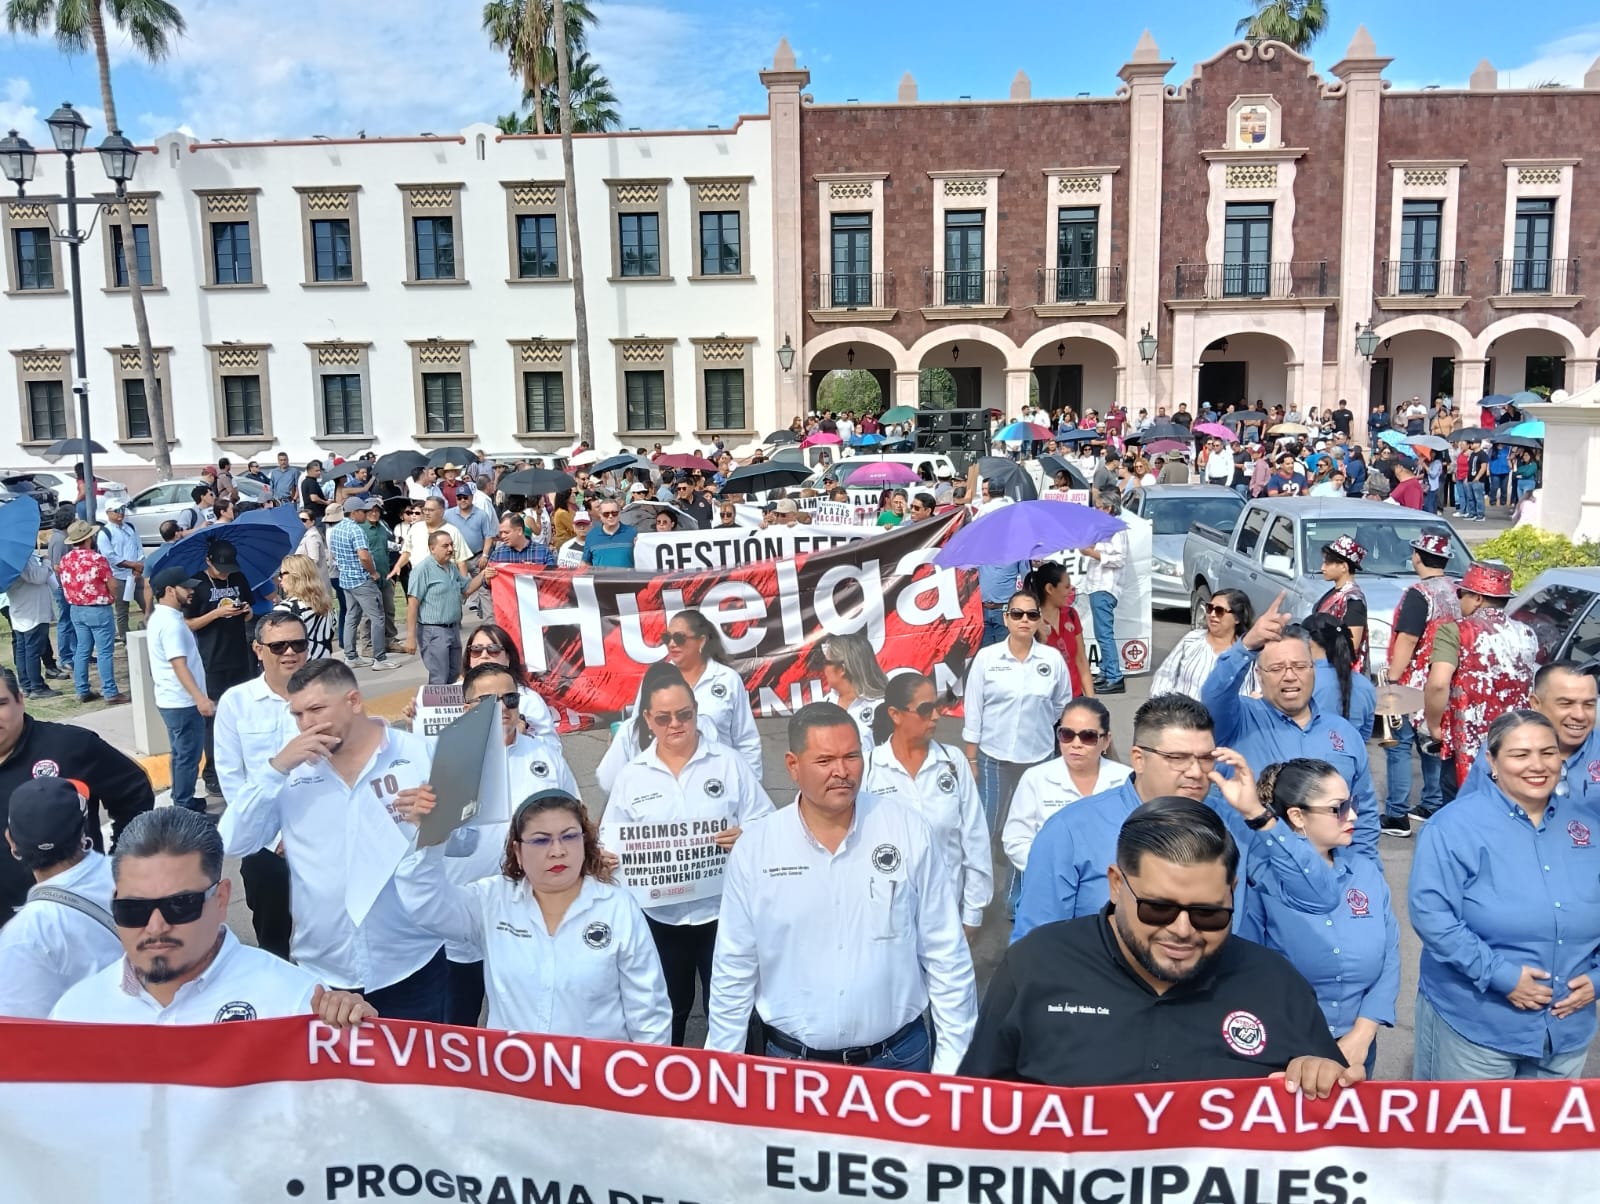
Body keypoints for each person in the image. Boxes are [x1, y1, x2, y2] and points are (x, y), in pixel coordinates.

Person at [962, 797, 1358, 1094]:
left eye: (1208, 913)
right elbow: (975, 1115)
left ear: (1232, 891)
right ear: (1116, 885)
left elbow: (1335, 1132)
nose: (1183, 930)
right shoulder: (1035, 967)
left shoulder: (1277, 986)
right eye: (1158, 909)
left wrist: (1322, 1076)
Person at [705, 703, 978, 1073]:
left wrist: (954, 1068)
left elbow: (945, 953)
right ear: (792, 765)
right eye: (825, 760)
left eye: (851, 756)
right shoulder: (756, 848)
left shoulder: (907, 830)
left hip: (899, 1061)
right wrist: (721, 1070)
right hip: (793, 1069)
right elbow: (734, 966)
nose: (842, 771)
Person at [218, 658, 448, 1021]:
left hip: (411, 963)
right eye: (297, 715)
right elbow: (233, 842)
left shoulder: (419, 754)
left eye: (316, 710)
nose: (306, 724)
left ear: (353, 701)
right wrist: (275, 769)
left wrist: (435, 826)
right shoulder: (289, 773)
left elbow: (467, 843)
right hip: (324, 973)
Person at [1014, 693, 1338, 937]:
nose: (1195, 772)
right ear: (1138, 759)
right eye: (1178, 758)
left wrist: (1259, 815)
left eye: (1206, 758)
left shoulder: (1237, 825)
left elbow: (1319, 897)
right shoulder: (1071, 831)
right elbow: (1036, 943)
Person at [51, 808, 375, 1028]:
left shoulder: (297, 1003)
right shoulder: (76, 1015)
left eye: (180, 905)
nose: (156, 926)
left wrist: (361, 1035)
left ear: (221, 899)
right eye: (133, 908)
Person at [1410, 710, 1600, 1080]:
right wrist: (1500, 976)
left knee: (1547, 1122)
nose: (1537, 765)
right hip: (1479, 1027)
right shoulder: (1453, 827)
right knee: (1466, 1120)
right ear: (1492, 762)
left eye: (1548, 753)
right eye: (1520, 754)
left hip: (1566, 1031)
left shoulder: (1588, 827)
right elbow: (1432, 917)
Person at [397, 786, 669, 1040]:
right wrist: (433, 836)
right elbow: (425, 902)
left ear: (585, 841)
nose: (557, 851)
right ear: (517, 850)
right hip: (513, 1071)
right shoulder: (492, 900)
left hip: (595, 1073)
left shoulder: (617, 907)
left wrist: (643, 1071)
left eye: (569, 836)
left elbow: (649, 1012)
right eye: (541, 840)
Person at [600, 664, 772, 1044]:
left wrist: (747, 834)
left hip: (723, 913)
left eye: (684, 714)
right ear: (648, 719)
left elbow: (766, 820)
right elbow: (608, 840)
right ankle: (667, 1076)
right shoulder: (632, 776)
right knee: (666, 1010)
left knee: (730, 1009)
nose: (675, 724)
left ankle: (735, 1077)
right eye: (663, 718)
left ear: (696, 712)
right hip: (660, 918)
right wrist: (607, 859)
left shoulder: (729, 764)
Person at [419, 662, 581, 1027]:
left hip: (531, 920)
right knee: (456, 1029)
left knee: (528, 1027)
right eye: (490, 701)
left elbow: (577, 825)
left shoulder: (545, 757)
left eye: (510, 699)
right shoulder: (437, 760)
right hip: (463, 924)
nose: (504, 708)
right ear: (467, 708)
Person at [1240, 760, 1400, 1078]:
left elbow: (1390, 957)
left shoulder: (1365, 872)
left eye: (1352, 804)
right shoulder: (1263, 878)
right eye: (1338, 808)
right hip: (1285, 1050)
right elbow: (1247, 970)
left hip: (1357, 1049)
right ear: (1297, 817)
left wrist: (1363, 1033)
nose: (1352, 816)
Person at [1201, 595, 1380, 861]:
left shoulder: (1343, 733)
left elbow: (1363, 813)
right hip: (1254, 871)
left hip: (1330, 874)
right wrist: (1246, 646)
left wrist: (1366, 871)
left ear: (1313, 670)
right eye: (1276, 668)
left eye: (1299, 666)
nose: (1289, 676)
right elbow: (1214, 695)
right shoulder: (1239, 720)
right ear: (1259, 675)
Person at [0, 666, 152, 929]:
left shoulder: (71, 746)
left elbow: (134, 792)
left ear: (20, 700)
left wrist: (121, 864)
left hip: (79, 917)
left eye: (0, 704)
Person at [212, 611, 310, 960]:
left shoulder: (325, 697)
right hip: (264, 844)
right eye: (279, 646)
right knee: (273, 940)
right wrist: (274, 837)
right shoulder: (236, 703)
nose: (290, 652)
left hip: (319, 837)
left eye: (298, 644)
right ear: (258, 650)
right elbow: (231, 779)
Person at [864, 673, 992, 935]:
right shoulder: (868, 768)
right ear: (895, 714)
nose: (936, 716)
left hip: (946, 914)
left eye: (937, 706)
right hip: (886, 917)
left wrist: (973, 911)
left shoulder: (953, 762)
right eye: (925, 709)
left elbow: (975, 837)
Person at [597, 610, 762, 792]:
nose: (672, 644)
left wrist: (751, 787)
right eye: (667, 638)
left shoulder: (728, 679)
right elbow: (640, 730)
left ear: (701, 641)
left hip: (719, 782)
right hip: (664, 783)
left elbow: (746, 740)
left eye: (679, 638)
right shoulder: (655, 678)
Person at [0, 778, 122, 1017]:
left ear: (12, 843)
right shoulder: (135, 877)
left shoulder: (23, 936)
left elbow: (20, 1029)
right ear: (83, 832)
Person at [963, 589, 1072, 835]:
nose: (1024, 620)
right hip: (993, 758)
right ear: (1006, 618)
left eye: (1031, 615)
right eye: (1017, 614)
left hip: (1037, 758)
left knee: (1031, 828)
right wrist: (971, 759)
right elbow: (973, 710)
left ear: (1039, 619)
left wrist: (1035, 722)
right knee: (985, 826)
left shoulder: (1052, 659)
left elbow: (1061, 705)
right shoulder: (987, 658)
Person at [1424, 560, 1540, 790]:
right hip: (1514, 743)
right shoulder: (1527, 633)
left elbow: (1438, 684)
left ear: (1477, 598)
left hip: (1468, 744)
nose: (1459, 600)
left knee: (1462, 805)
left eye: (1461, 593)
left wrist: (1435, 726)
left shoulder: (1455, 631)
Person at [1002, 697, 1131, 890]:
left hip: (1110, 886)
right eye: (1067, 734)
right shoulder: (1036, 778)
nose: (1076, 744)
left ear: (1105, 741)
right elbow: (1016, 840)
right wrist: (1054, 870)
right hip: (1050, 885)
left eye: (1088, 736)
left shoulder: (1126, 780)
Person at [1381, 532, 1462, 838]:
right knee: (1432, 743)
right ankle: (1432, 803)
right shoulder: (1456, 591)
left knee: (1398, 745)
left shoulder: (1419, 594)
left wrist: (1392, 678)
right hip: (1444, 677)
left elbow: (1408, 638)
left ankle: (1397, 815)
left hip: (1413, 679)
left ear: (1417, 556)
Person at [1461, 660, 1600, 801]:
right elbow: (1467, 809)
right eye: (1566, 704)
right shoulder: (1501, 746)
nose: (1579, 715)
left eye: (1589, 705)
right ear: (1536, 703)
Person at [182, 539, 255, 801]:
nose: (225, 574)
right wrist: (215, 614)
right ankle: (212, 773)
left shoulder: (238, 579)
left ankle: (242, 765)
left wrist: (245, 611)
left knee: (242, 715)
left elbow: (249, 612)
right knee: (213, 720)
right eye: (221, 569)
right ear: (208, 561)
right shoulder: (197, 584)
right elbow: (187, 623)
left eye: (229, 569)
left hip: (239, 657)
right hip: (211, 660)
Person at [146, 565, 213, 816]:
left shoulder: (161, 618)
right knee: (188, 755)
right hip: (182, 702)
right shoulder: (171, 624)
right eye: (185, 587)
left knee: (181, 753)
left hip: (171, 700)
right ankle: (184, 807)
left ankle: (183, 798)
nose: (191, 591)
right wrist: (200, 698)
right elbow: (179, 664)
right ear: (170, 590)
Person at [405, 529, 500, 685]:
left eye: (451, 545)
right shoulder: (422, 570)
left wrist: (483, 574)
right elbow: (412, 604)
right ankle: (435, 701)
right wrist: (410, 637)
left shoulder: (452, 568)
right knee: (439, 676)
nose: (450, 549)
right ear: (432, 548)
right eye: (445, 546)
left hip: (453, 629)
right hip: (433, 631)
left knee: (455, 673)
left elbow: (467, 589)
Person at [59, 519, 126, 705]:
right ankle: (110, 691)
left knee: (82, 649)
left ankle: (82, 689)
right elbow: (111, 583)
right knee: (104, 651)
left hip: (76, 609)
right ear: (89, 538)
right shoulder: (97, 559)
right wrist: (113, 596)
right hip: (97, 608)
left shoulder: (65, 559)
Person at [328, 501, 397, 672]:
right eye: (363, 512)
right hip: (361, 580)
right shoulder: (356, 530)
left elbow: (335, 554)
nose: (366, 515)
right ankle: (379, 659)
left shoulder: (336, 529)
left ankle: (351, 656)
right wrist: (373, 572)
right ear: (354, 512)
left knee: (352, 617)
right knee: (377, 618)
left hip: (346, 580)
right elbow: (364, 556)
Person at [1151, 589, 1255, 701]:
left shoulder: (1246, 655)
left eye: (1219, 611)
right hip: (1180, 711)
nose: (1212, 614)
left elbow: (1250, 694)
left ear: (1237, 618)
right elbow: (1164, 675)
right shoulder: (1192, 639)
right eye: (1210, 608)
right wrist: (1163, 707)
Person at [1079, 490, 1129, 694]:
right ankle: (1106, 671)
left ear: (1108, 508)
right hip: (1096, 585)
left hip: (1106, 586)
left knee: (1104, 634)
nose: (1095, 510)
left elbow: (1119, 559)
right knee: (1101, 633)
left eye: (1098, 507)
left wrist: (1092, 552)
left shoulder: (1116, 530)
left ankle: (1114, 676)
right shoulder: (1101, 529)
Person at [1302, 613, 1376, 740]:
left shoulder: (1304, 680)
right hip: (1352, 750)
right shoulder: (1366, 685)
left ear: (1310, 642)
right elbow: (1364, 735)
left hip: (1311, 750)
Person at [1027, 562, 1093, 699]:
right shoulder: (1028, 622)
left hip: (1076, 698)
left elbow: (1081, 660)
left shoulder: (1071, 615)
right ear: (1050, 588)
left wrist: (1092, 701)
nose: (1070, 591)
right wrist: (1038, 637)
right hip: (1046, 703)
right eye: (1066, 586)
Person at [818, 630, 889, 750]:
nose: (823, 668)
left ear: (842, 669)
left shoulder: (883, 706)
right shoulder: (823, 705)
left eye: (826, 662)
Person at [1312, 534, 1369, 671]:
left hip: (1340, 672)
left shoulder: (1353, 600)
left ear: (1344, 567)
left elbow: (1352, 645)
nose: (1322, 568)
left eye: (1327, 563)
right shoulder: (1334, 593)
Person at [95, 499, 143, 644]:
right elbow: (110, 557)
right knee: (122, 610)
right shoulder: (105, 533)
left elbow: (139, 547)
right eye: (116, 511)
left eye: (122, 510)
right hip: (119, 575)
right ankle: (125, 638)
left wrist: (138, 565)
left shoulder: (130, 527)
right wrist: (132, 565)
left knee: (146, 604)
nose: (120, 513)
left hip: (135, 574)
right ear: (108, 512)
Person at [271, 553, 335, 661]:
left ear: (295, 575)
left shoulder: (286, 609)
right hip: (324, 665)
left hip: (299, 667)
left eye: (282, 574)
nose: (279, 578)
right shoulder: (326, 605)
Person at [977, 553, 1030, 648]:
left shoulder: (1018, 552)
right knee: (987, 653)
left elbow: (1027, 580)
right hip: (982, 612)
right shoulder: (981, 551)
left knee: (1006, 652)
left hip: (1005, 611)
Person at [582, 498, 638, 568]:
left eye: (614, 513)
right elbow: (585, 563)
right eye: (606, 514)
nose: (610, 516)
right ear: (600, 515)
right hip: (600, 575)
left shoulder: (632, 533)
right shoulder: (591, 536)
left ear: (619, 513)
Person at [491, 512, 555, 567]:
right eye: (501, 533)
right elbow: (488, 574)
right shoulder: (498, 554)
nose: (503, 536)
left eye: (506, 532)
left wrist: (537, 569)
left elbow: (553, 575)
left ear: (519, 531)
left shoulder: (543, 552)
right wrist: (488, 574)